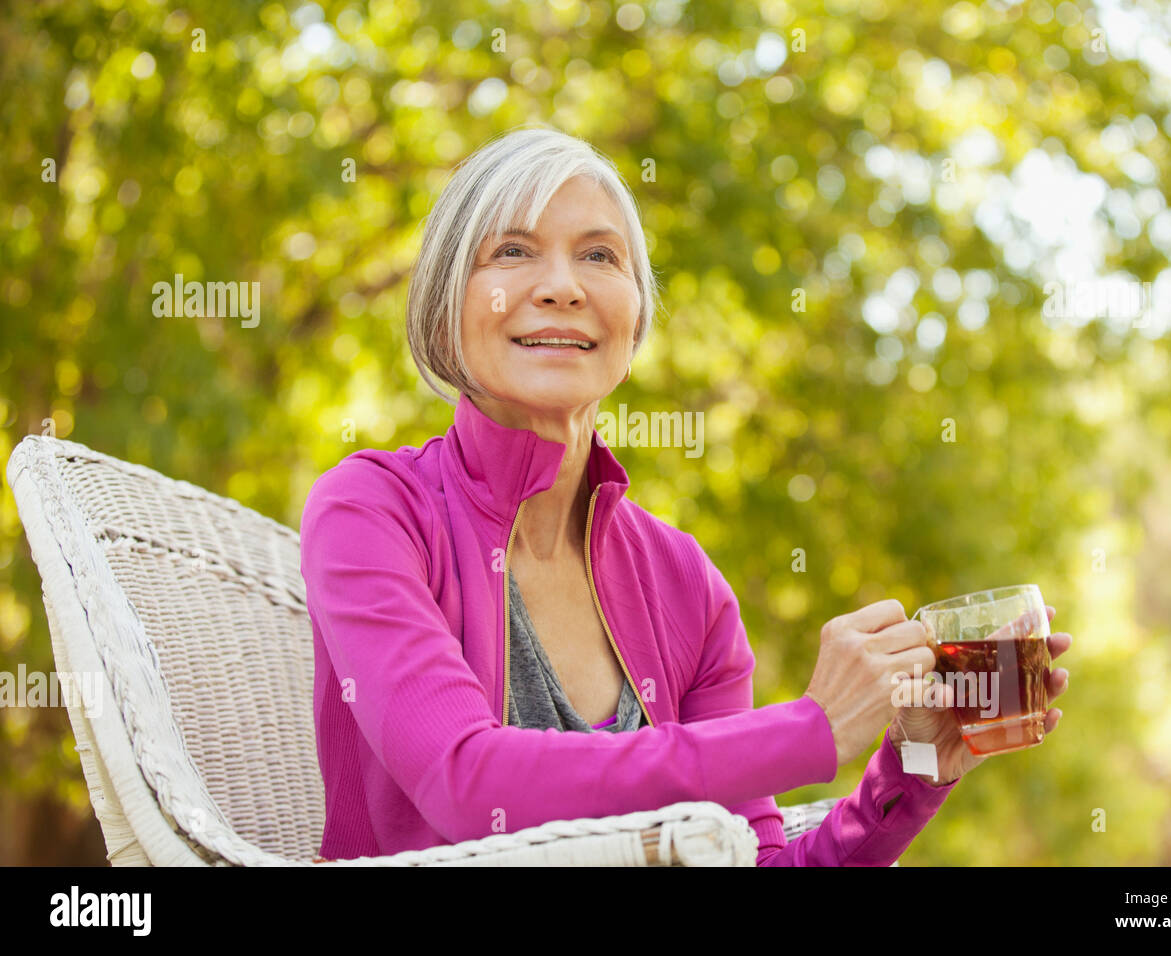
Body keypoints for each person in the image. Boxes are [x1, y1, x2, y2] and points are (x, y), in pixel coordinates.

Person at [300, 124, 1072, 865]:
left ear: (633, 321)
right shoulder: (371, 511)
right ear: (445, 306)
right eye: (512, 250)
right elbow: (463, 782)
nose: (563, 286)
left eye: (600, 256)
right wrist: (807, 730)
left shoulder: (684, 582)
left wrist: (911, 770)